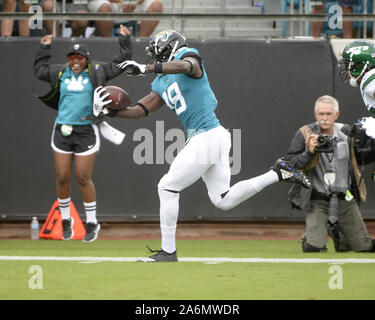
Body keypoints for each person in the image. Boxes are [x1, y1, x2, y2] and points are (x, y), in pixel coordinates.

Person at [93, 30, 311, 262]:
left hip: (206, 135)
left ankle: (168, 252)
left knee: (166, 187)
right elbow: (139, 110)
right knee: (223, 200)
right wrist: (110, 111)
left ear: (169, 49)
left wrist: (145, 68)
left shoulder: (188, 55)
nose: (154, 60)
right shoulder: (160, 82)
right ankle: (278, 173)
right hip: (213, 137)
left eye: (157, 55)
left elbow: (187, 67)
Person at [33, 25, 132, 242]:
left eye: (80, 57)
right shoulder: (60, 72)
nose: (75, 61)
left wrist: (125, 39)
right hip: (62, 129)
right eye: (72, 57)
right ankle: (66, 219)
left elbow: (121, 62)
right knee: (61, 177)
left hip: (87, 130)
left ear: (86, 59)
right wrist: (44, 47)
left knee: (83, 177)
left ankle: (91, 222)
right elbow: (39, 70)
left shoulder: (97, 71)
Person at [285, 95, 375, 252]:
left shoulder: (347, 133)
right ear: (315, 114)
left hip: (344, 198)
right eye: (321, 114)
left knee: (365, 247)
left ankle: (341, 237)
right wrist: (309, 153)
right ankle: (312, 234)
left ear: (336, 115)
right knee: (313, 247)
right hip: (317, 198)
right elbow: (288, 166)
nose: (324, 118)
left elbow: (361, 159)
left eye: (328, 114)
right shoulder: (305, 133)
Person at [87, 0, 163, 37]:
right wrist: (122, 1)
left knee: (157, 5)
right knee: (104, 7)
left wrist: (135, 2)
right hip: (108, 2)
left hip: (134, 3)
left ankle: (139, 44)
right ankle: (108, 45)